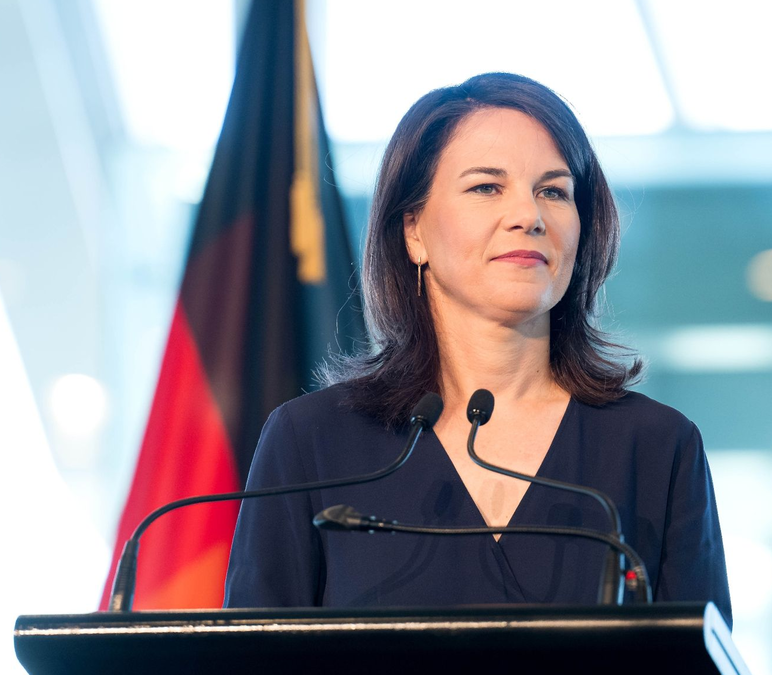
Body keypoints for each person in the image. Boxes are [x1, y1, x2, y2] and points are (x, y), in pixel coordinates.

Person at [223, 72, 731, 625]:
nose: (528, 216)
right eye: (487, 187)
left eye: (554, 191)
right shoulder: (310, 443)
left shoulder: (657, 447)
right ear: (413, 230)